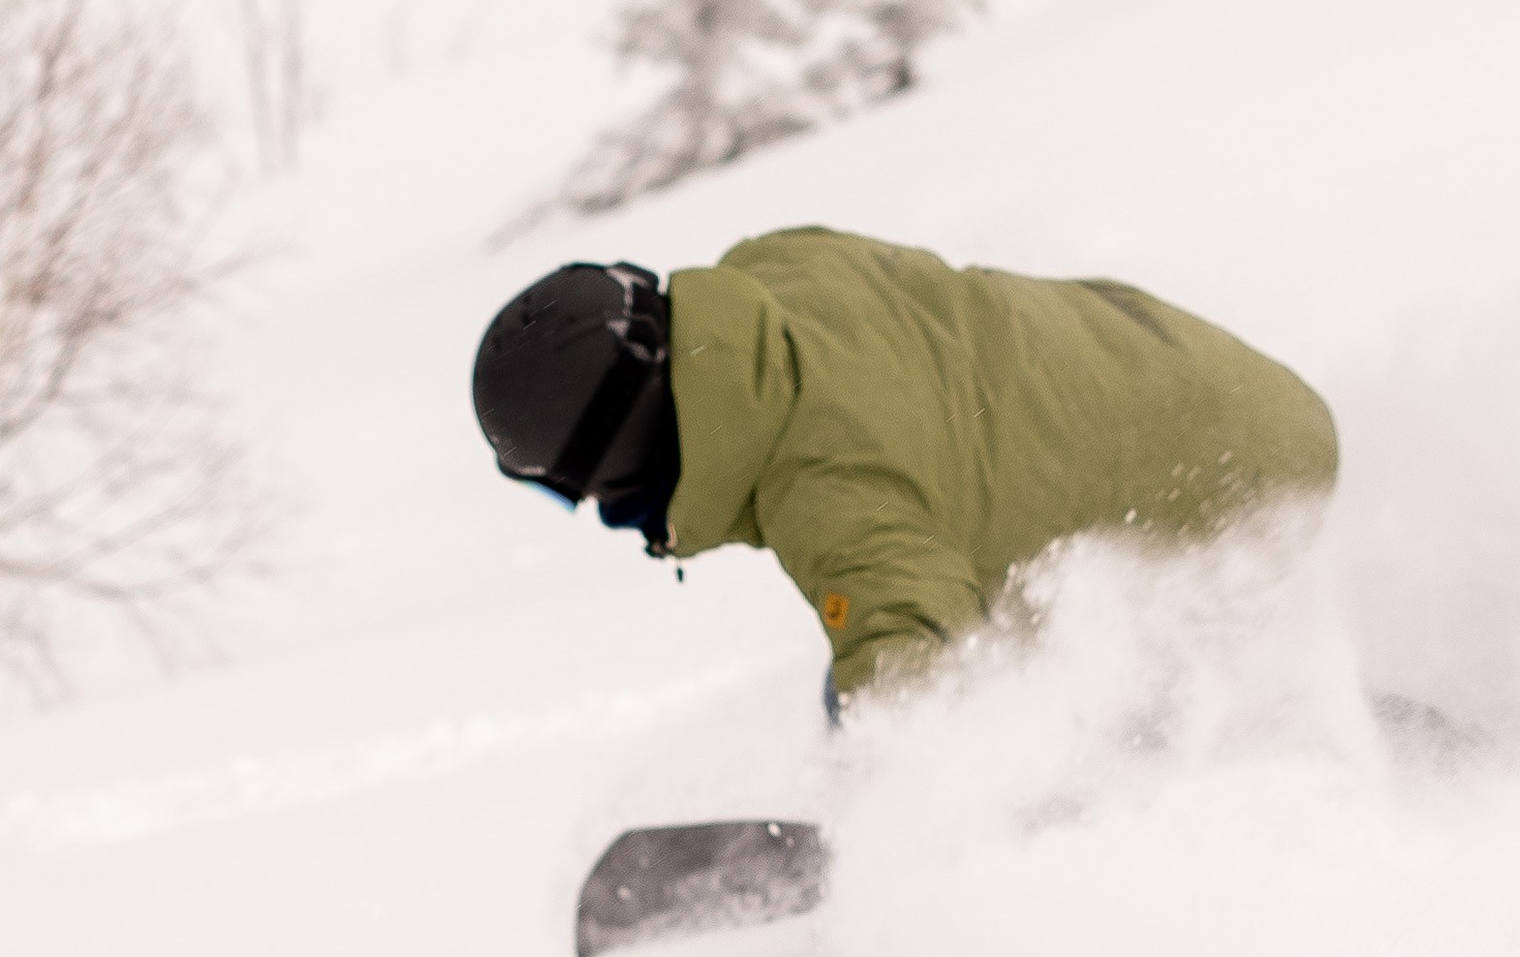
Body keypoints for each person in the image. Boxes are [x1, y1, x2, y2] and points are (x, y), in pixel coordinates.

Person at [470, 225, 1338, 711]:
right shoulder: (774, 269)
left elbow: (919, 676)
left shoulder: (825, 490)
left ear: (626, 446)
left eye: (575, 489)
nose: (602, 512)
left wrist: (886, 853)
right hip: (1203, 378)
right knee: (956, 637)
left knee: (976, 685)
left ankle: (1246, 755)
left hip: (1225, 481)